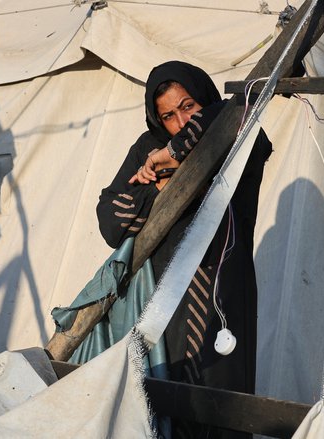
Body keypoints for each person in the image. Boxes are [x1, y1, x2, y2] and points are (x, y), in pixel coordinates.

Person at [96, 61, 272, 438]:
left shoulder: (241, 137)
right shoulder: (147, 147)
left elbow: (231, 112)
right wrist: (158, 188)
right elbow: (111, 221)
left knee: (220, 405)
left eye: (188, 106)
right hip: (165, 299)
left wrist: (175, 155)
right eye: (168, 116)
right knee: (166, 400)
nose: (178, 121)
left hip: (222, 293)